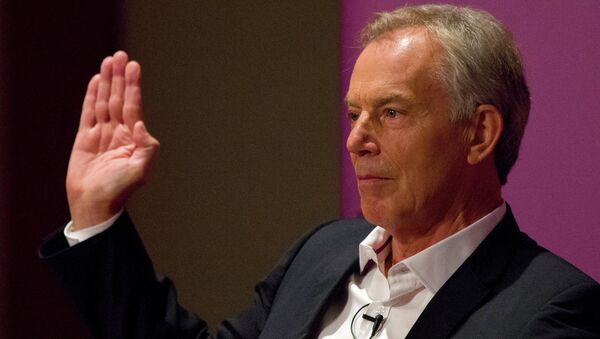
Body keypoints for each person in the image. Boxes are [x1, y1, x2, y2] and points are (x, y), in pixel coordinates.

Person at [41, 4, 599, 338]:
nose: (356, 140)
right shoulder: (323, 251)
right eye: (354, 113)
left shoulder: (553, 310)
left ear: (478, 133)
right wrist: (95, 217)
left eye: (391, 112)